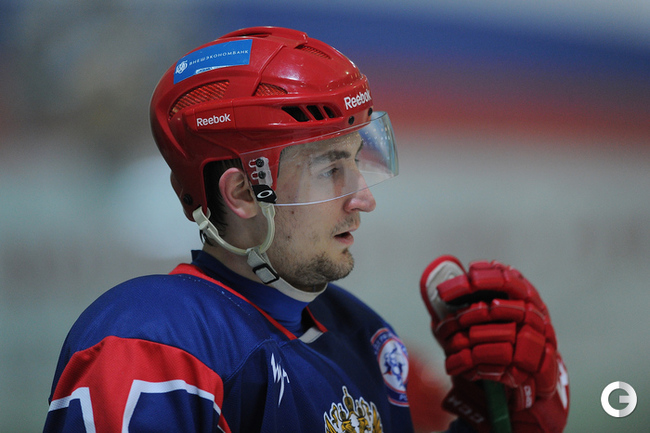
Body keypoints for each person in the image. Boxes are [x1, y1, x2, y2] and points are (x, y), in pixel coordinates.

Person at [44, 26, 569, 432]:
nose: (363, 198)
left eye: (356, 160)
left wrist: (503, 420)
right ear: (243, 193)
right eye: (330, 168)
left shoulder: (364, 338)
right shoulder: (150, 344)